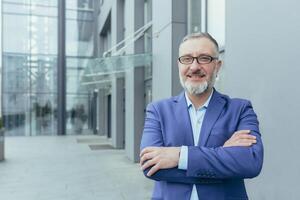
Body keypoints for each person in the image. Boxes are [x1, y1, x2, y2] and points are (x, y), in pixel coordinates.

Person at [140, 32, 263, 200]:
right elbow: (150, 166)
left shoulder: (240, 109)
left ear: (218, 66)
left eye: (204, 58)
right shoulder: (158, 110)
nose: (194, 66)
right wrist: (221, 155)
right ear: (179, 65)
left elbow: (250, 163)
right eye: (187, 59)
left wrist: (180, 156)